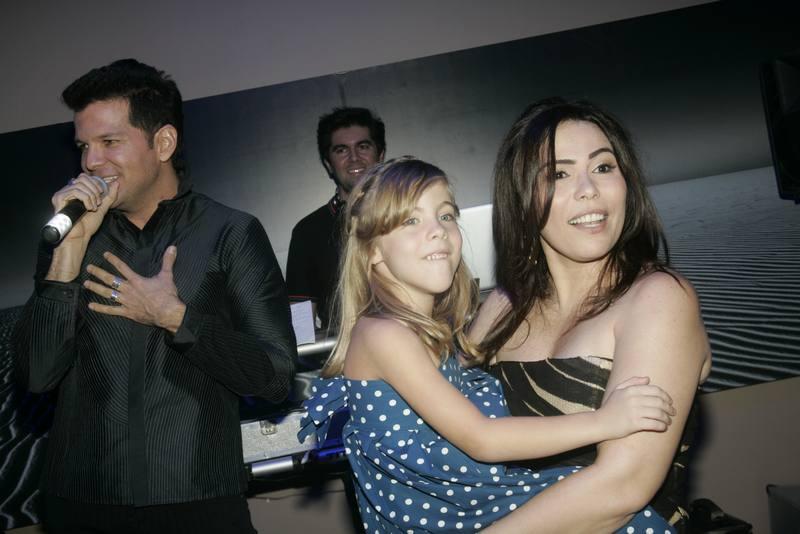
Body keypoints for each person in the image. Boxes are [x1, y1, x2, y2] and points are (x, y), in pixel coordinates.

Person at [299, 156, 678, 533]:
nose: (437, 230)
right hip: (442, 517)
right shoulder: (382, 333)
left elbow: (460, 366)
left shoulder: (424, 328)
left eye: (446, 215)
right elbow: (483, 440)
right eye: (411, 221)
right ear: (373, 251)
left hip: (461, 502)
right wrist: (606, 421)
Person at [12, 59, 297, 534]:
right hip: (80, 504)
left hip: (197, 500)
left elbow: (274, 377)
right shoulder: (71, 236)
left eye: (109, 142)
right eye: (84, 146)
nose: (90, 162)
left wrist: (175, 317)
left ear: (162, 143)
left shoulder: (230, 232)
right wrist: (68, 255)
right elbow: (36, 375)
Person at [468, 98, 712, 533]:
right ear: (521, 197)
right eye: (558, 174)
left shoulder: (657, 298)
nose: (589, 189)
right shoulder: (502, 306)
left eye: (603, 167)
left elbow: (623, 487)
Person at [285, 107, 386, 329]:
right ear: (328, 164)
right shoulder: (308, 232)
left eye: (363, 146)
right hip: (348, 349)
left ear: (380, 155)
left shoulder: (411, 213)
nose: (354, 158)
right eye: (341, 150)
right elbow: (301, 327)